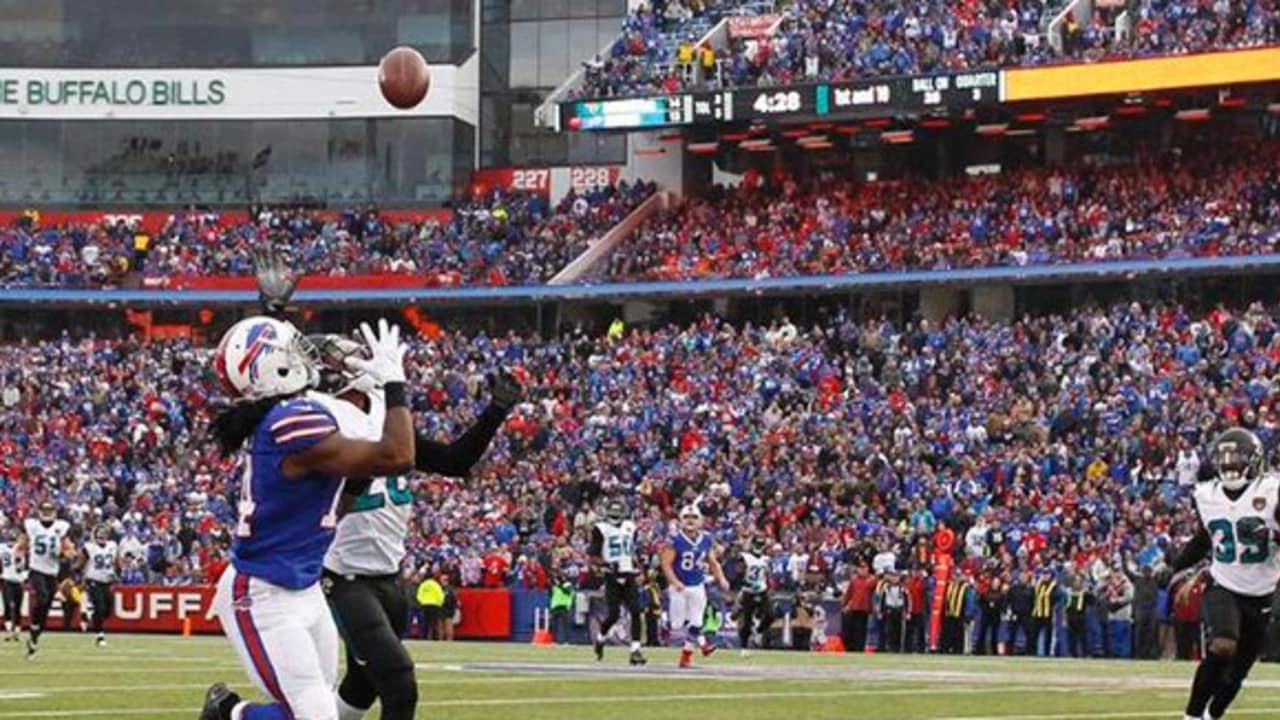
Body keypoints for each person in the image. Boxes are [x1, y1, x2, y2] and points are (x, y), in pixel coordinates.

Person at [199, 315, 416, 720]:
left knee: (313, 709)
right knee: (314, 715)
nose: (305, 357)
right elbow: (398, 455)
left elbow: (336, 507)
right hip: (263, 592)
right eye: (291, 352)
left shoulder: (293, 414)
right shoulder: (291, 422)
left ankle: (229, 712)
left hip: (304, 584)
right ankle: (228, 714)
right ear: (274, 369)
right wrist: (393, 386)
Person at [1170, 428, 1280, 720]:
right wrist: (1174, 567)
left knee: (1238, 671)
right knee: (1223, 645)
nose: (1230, 465)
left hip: (1262, 591)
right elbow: (1205, 539)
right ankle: (1192, 715)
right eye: (1226, 458)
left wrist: (1271, 533)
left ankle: (1212, 715)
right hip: (1223, 583)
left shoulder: (1272, 491)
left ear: (1255, 460)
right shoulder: (1207, 495)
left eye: (1237, 458)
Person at [661, 504, 729, 668]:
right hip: (680, 585)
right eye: (686, 518)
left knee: (697, 622)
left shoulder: (706, 538)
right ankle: (669, 625)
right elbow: (666, 564)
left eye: (694, 518)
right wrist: (675, 582)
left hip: (697, 584)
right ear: (680, 520)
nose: (690, 521)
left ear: (701, 521)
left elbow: (712, 562)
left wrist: (722, 578)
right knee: (677, 625)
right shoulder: (674, 539)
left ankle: (687, 656)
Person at [589, 499, 646, 665]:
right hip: (611, 576)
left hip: (628, 574)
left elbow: (633, 550)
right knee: (613, 614)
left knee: (636, 610)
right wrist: (606, 564)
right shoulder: (600, 529)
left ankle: (635, 650)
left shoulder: (630, 527)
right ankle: (600, 638)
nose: (615, 517)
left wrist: (639, 567)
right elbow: (593, 556)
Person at [16, 500, 74, 659]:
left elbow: (69, 547)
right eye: (45, 510)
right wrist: (19, 556)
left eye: (50, 511)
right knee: (42, 597)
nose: (47, 514)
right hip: (36, 569)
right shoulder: (32, 526)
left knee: (47, 605)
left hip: (52, 572)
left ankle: (34, 637)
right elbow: (21, 544)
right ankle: (34, 626)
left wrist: (65, 554)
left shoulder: (61, 527)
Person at [83, 525, 119, 647]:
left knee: (108, 609)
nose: (102, 536)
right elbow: (81, 562)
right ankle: (100, 635)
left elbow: (116, 562)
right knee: (100, 607)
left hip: (107, 581)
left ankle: (90, 615)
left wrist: (117, 574)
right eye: (100, 533)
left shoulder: (112, 546)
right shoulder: (90, 547)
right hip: (93, 580)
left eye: (104, 533)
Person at [737, 535, 772, 656]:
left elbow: (767, 575)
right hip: (748, 592)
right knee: (746, 620)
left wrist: (769, 586)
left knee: (770, 615)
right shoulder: (745, 557)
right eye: (757, 545)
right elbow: (738, 575)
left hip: (762, 590)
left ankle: (758, 631)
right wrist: (748, 583)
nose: (759, 547)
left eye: (761, 545)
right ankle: (744, 647)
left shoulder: (766, 559)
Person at [1, 527, 25, 641]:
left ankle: (17, 631)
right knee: (8, 605)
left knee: (17, 607)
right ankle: (8, 630)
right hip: (7, 580)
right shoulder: (2, 548)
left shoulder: (20, 548)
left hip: (19, 581)